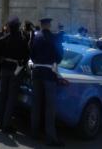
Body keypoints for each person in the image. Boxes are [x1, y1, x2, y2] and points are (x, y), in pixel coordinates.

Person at [30, 18, 65, 147]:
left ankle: (34, 132)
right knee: (50, 107)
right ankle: (51, 137)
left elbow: (31, 54)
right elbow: (59, 57)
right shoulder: (54, 38)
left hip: (36, 72)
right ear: (49, 25)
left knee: (36, 103)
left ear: (41, 25)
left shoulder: (35, 37)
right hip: (48, 74)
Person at [0, 16, 30, 133]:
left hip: (5, 68)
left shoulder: (4, 38)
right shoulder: (23, 40)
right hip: (16, 70)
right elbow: (26, 56)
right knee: (11, 97)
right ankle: (6, 124)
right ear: (18, 27)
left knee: (1, 95)